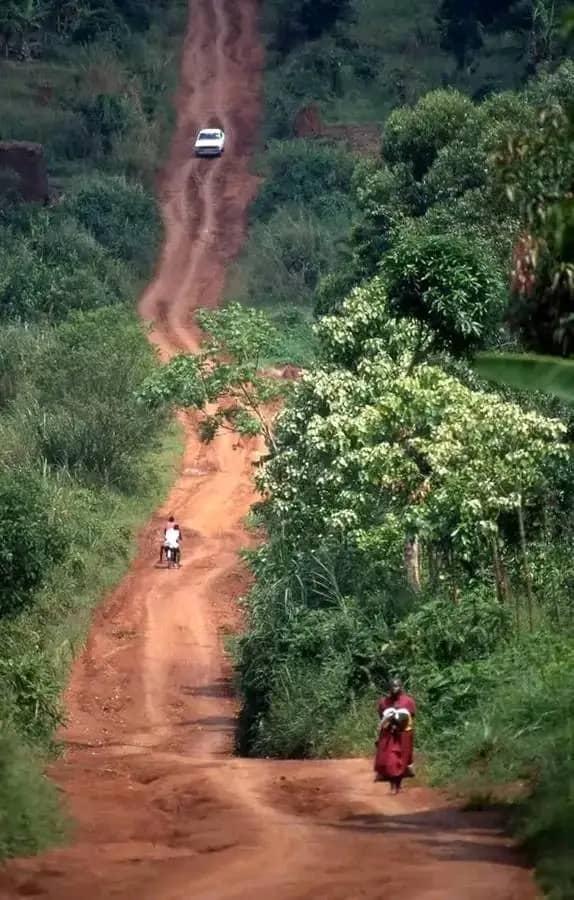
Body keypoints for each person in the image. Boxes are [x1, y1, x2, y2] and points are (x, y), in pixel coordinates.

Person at [374, 677, 416, 794]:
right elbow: (381, 717)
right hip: (388, 735)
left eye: (397, 686)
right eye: (392, 686)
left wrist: (400, 724)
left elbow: (411, 716)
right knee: (390, 760)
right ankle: (392, 785)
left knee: (402, 761)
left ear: (401, 687)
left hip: (403, 734)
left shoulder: (408, 701)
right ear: (389, 688)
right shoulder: (384, 702)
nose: (394, 689)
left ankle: (399, 785)